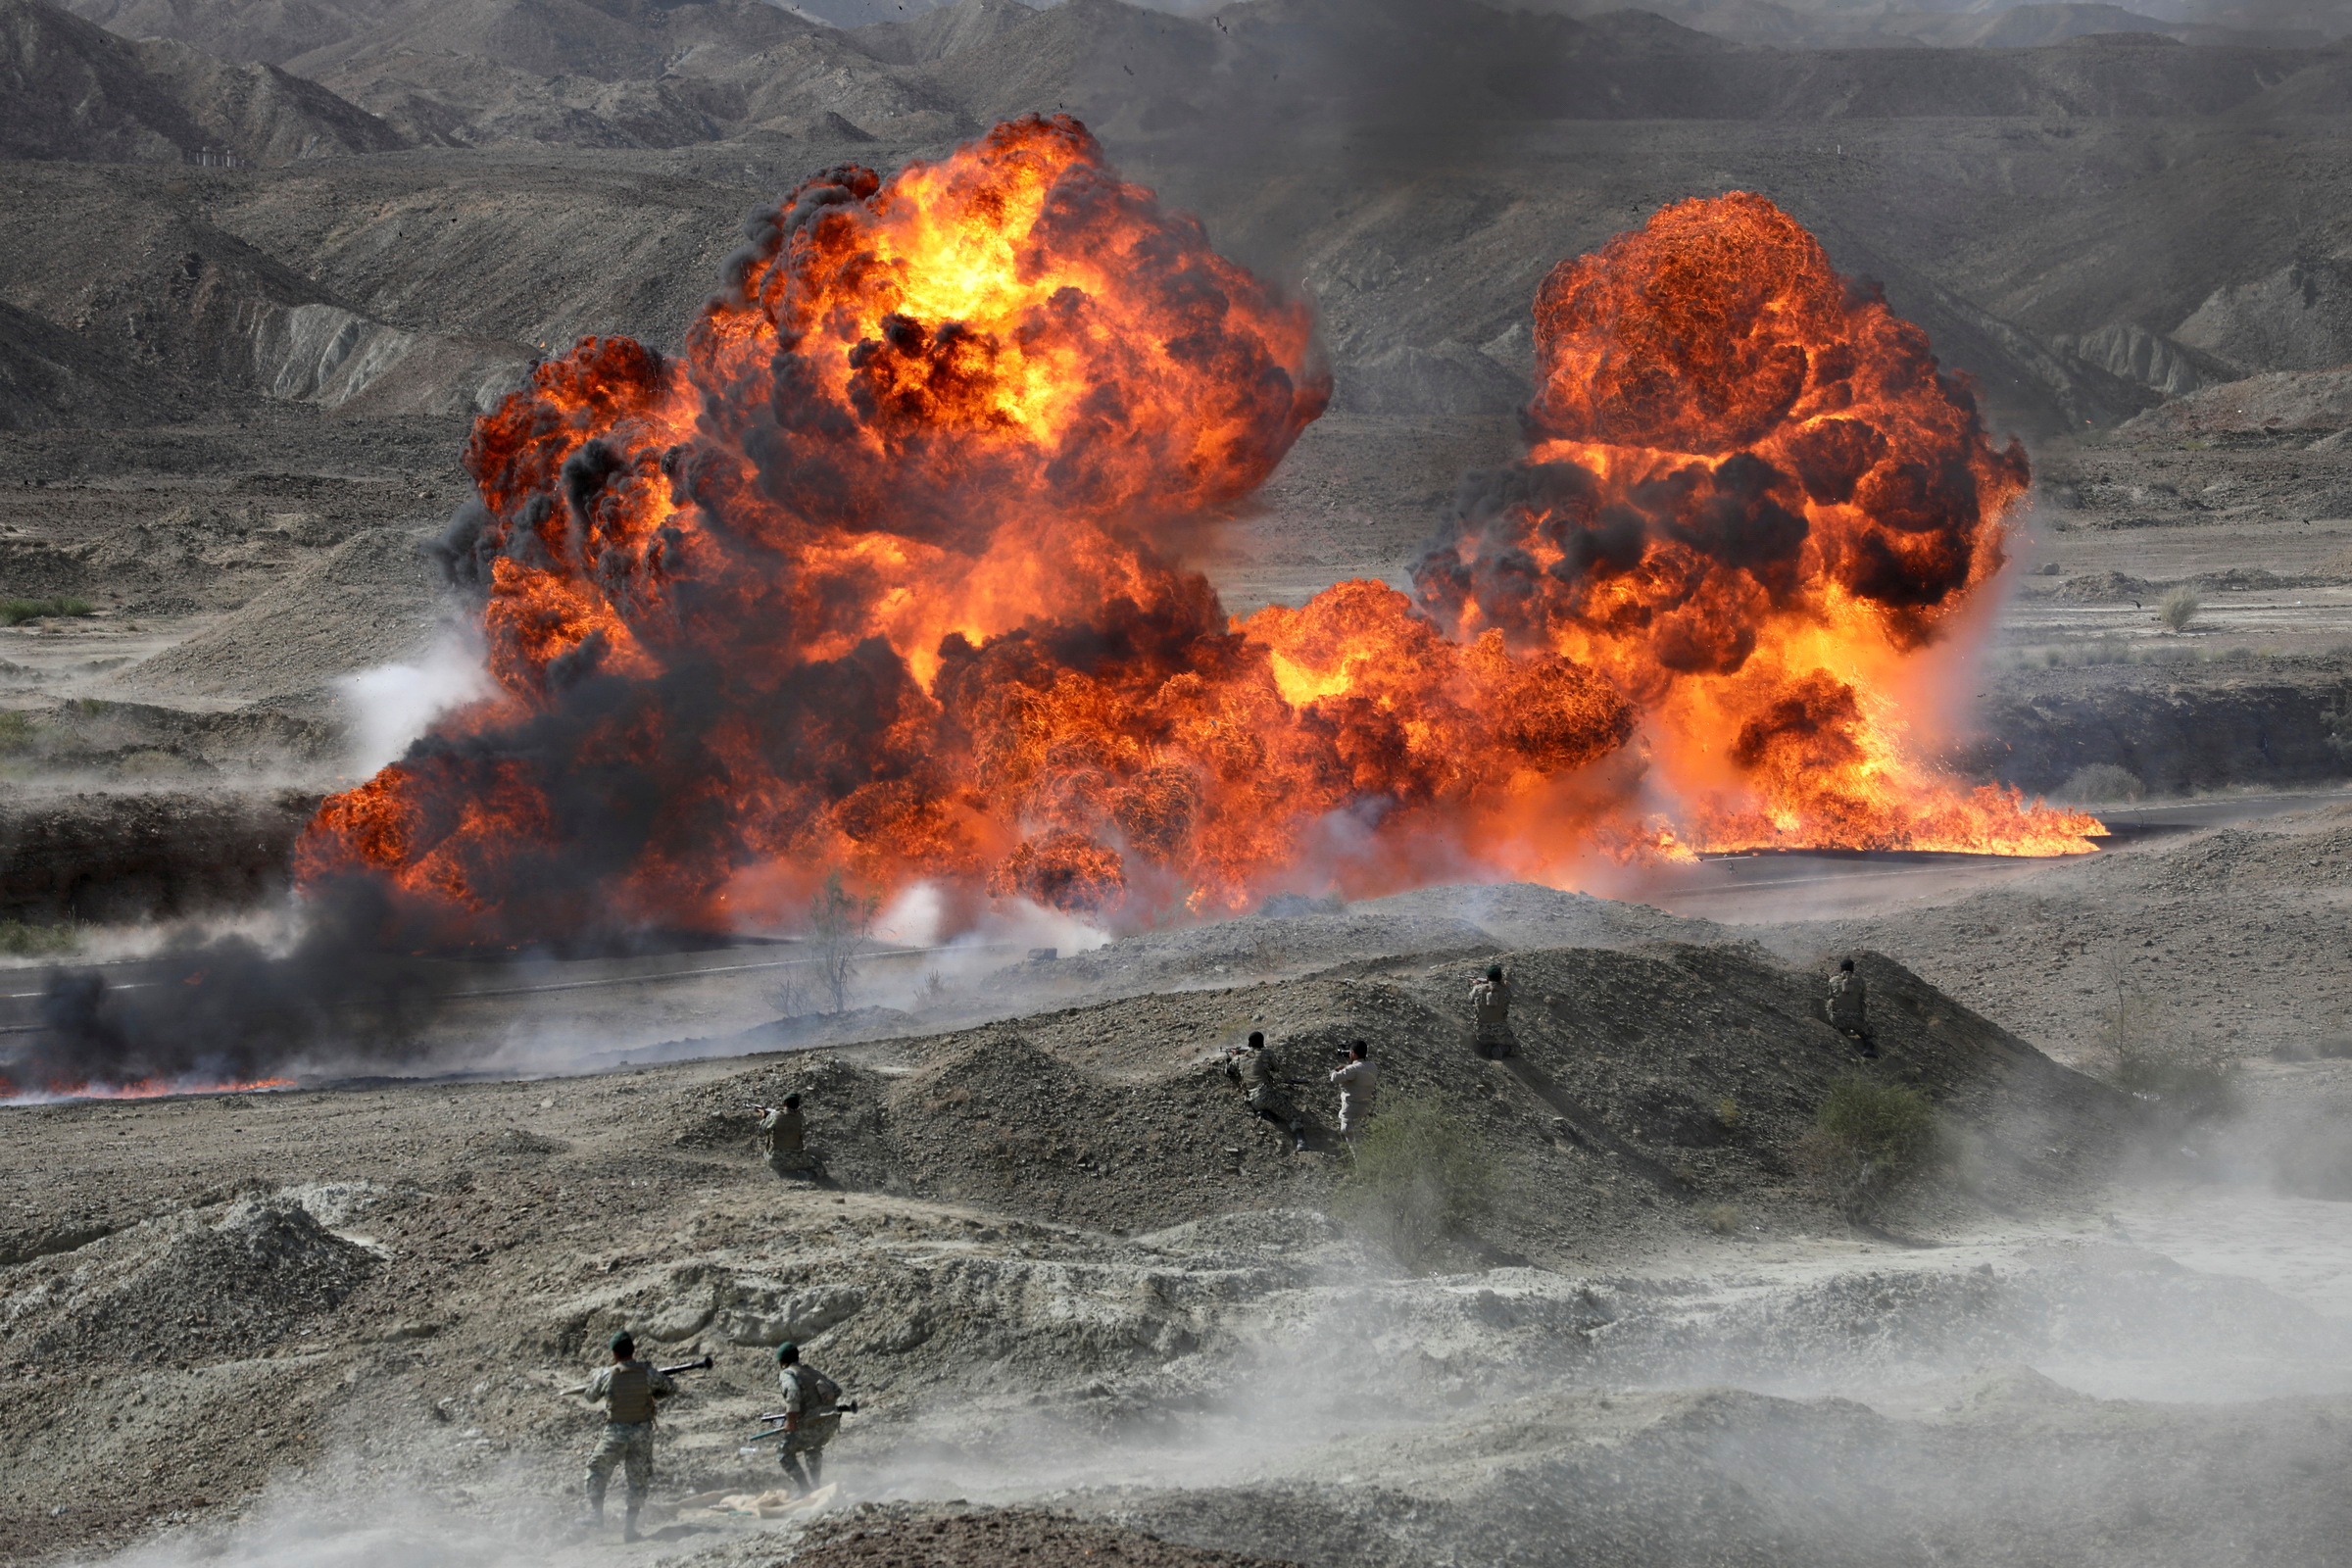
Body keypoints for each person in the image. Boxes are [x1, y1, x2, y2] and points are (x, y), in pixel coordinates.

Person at [581, 1331, 676, 1542]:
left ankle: (597, 1516)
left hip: (615, 1433)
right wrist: (653, 1394)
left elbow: (590, 1397)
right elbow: (671, 1387)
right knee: (637, 1481)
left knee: (596, 1469)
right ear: (633, 1351)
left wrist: (596, 1382)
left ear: (614, 1353)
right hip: (642, 1434)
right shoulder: (647, 1372)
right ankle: (630, 1530)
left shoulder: (607, 1374)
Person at [772, 1342, 847, 1496]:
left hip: (812, 1423)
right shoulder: (813, 1372)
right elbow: (836, 1390)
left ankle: (805, 1489)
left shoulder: (788, 1373)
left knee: (783, 1451)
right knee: (812, 1448)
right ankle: (816, 1486)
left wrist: (791, 1420)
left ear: (782, 1361)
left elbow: (792, 1394)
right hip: (829, 1423)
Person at [1222, 1031, 1306, 1152]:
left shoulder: (1240, 1059)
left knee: (1278, 1099)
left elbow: (1228, 1071)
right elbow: (1276, 1067)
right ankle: (1302, 1143)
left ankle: (1265, 1113)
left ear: (1249, 1043)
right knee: (1294, 1114)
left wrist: (1233, 1056)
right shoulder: (1266, 1053)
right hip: (1266, 1094)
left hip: (1252, 1100)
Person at [755, 1093, 822, 1181]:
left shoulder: (774, 1116)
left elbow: (762, 1130)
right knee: (818, 1165)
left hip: (775, 1159)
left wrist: (764, 1117)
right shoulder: (801, 1118)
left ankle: (783, 1173)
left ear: (785, 1104)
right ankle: (807, 1175)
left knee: (766, 1155)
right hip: (797, 1159)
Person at [1329, 1040, 1378, 1143]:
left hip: (1351, 1107)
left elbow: (1334, 1078)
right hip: (1363, 1106)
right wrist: (1348, 1066)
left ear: (1354, 1054)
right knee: (1351, 1127)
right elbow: (1360, 1069)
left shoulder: (1352, 1069)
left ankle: (1360, 1158)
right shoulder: (1372, 1066)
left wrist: (1336, 1070)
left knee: (1349, 1132)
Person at [1828, 958, 1877, 1057]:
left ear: (1841, 969)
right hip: (1857, 1020)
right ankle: (1867, 1048)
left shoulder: (1832, 980)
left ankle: (1835, 1028)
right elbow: (1864, 997)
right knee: (1869, 1035)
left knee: (1830, 1002)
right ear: (1853, 969)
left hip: (1838, 1019)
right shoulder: (1860, 981)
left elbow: (1830, 995)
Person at [1469, 963, 1515, 1058]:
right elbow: (1507, 996)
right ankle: (1499, 1050)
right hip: (1500, 1033)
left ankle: (1486, 1048)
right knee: (1516, 1047)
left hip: (1481, 1031)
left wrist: (1477, 986)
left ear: (1487, 977)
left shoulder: (1478, 989)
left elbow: (1471, 999)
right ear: (1500, 976)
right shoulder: (1506, 990)